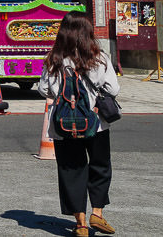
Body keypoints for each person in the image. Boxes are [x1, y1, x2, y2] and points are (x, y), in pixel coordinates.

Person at [38, 14, 120, 237]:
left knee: (71, 169)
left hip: (63, 125)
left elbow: (43, 89)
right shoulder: (99, 57)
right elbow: (113, 89)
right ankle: (97, 213)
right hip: (96, 123)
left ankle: (81, 223)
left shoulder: (54, 59)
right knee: (100, 165)